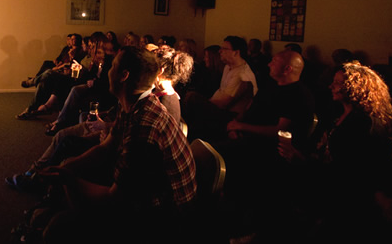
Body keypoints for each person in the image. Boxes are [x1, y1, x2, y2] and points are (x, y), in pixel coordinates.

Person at [39, 46, 197, 243]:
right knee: (71, 169)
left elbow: (113, 199)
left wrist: (68, 178)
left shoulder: (144, 130)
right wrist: (68, 166)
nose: (107, 71)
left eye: (112, 66)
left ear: (124, 75)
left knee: (57, 228)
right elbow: (106, 147)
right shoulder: (134, 103)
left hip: (161, 220)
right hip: (146, 197)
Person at [277, 61, 392, 242]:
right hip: (322, 174)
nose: (331, 86)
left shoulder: (364, 124)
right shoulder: (338, 114)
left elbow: (348, 172)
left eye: (338, 83)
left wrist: (302, 160)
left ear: (355, 88)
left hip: (339, 190)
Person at [210, 36, 258, 114]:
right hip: (217, 107)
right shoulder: (228, 66)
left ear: (236, 52)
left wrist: (204, 103)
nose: (219, 51)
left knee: (192, 98)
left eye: (224, 49)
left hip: (228, 114)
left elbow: (224, 103)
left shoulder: (241, 74)